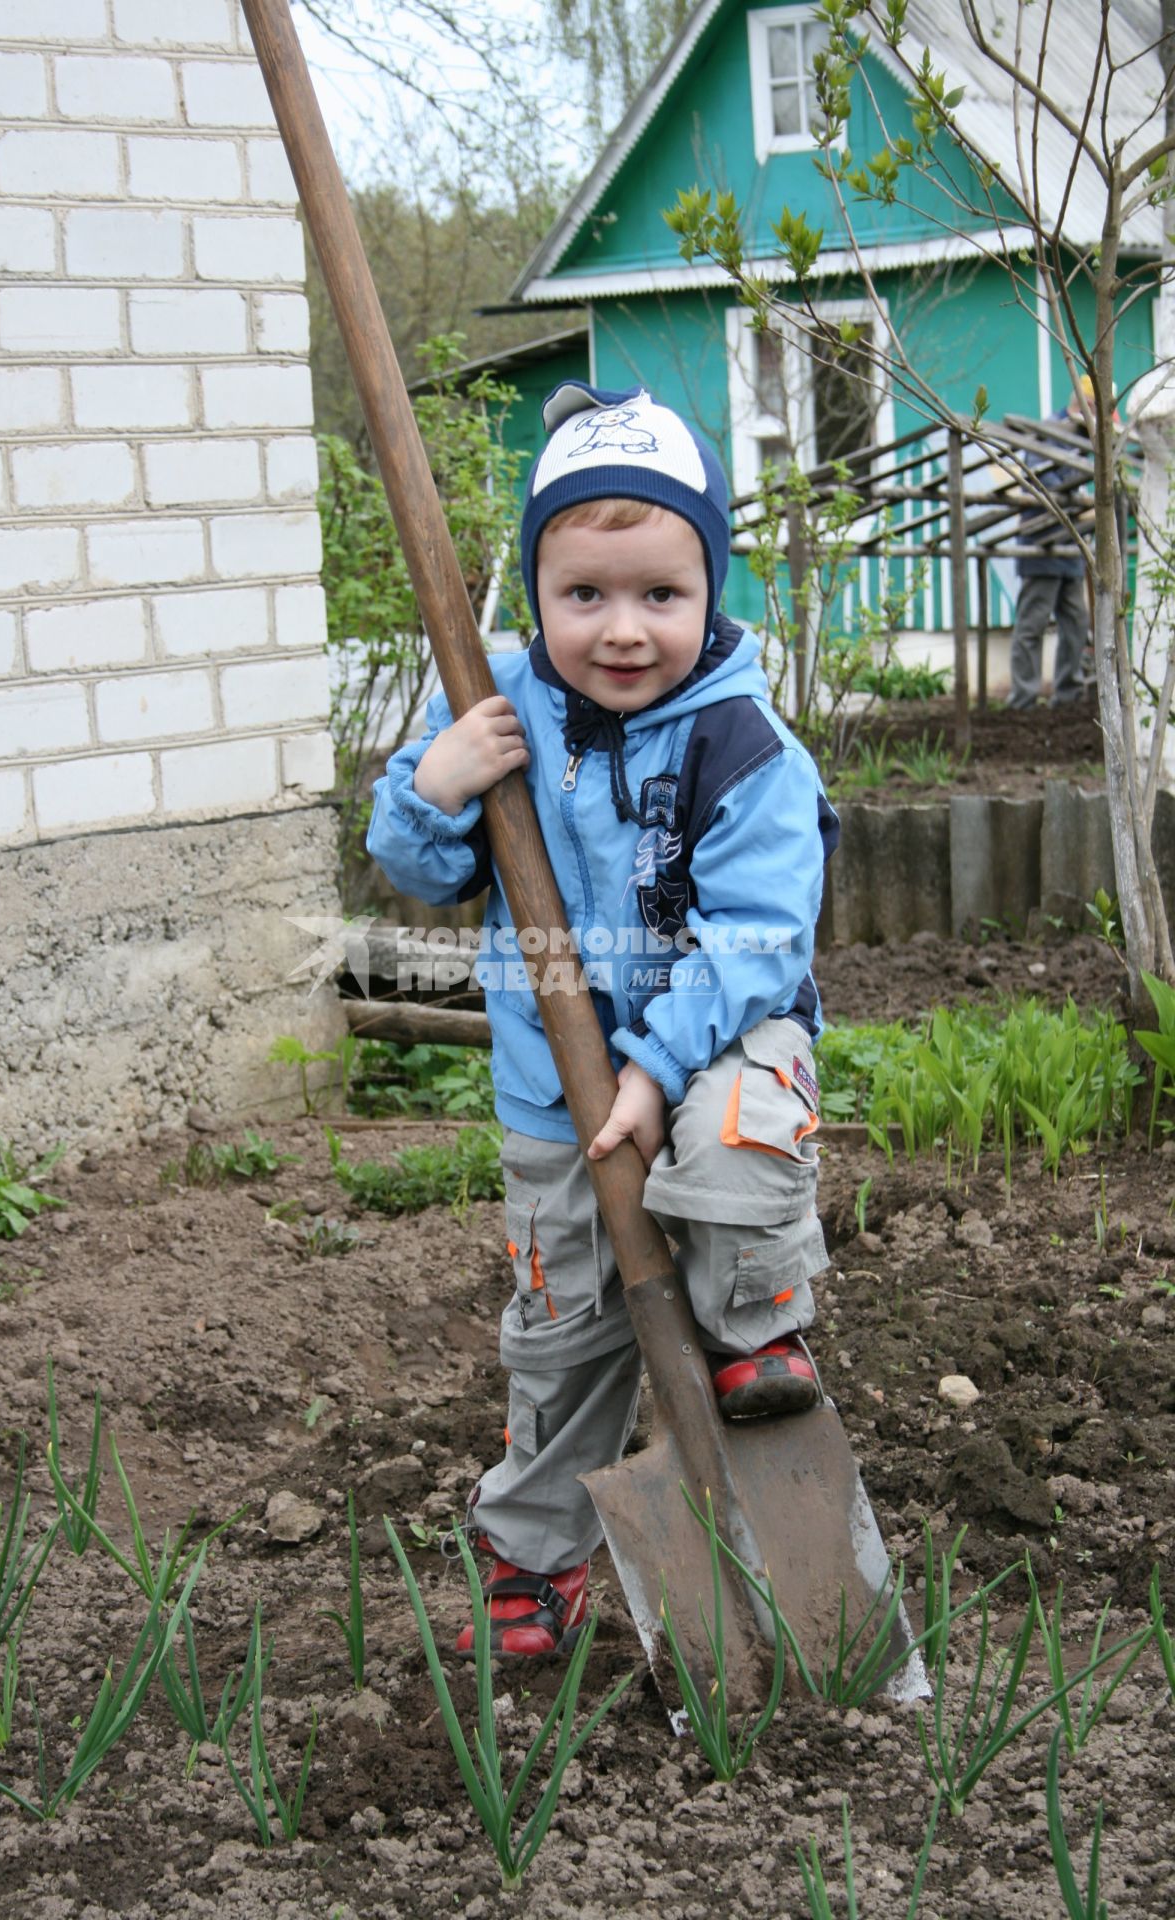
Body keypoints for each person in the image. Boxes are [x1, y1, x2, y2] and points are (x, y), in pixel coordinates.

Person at [367, 382, 839, 1658]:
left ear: (711, 589)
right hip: (547, 1091)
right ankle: (531, 1556)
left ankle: (751, 1327)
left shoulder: (741, 744)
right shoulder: (497, 702)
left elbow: (754, 939)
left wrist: (644, 1068)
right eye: (583, 596)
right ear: (536, 593)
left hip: (717, 1040)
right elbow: (416, 866)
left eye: (659, 596)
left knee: (733, 1148)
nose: (621, 631)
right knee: (562, 1341)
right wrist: (434, 787)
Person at [1007, 382, 1097, 710]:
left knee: (1075, 623)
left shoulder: (1086, 438)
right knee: (1033, 623)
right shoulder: (1047, 431)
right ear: (1086, 403)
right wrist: (1077, 500)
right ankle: (1024, 700)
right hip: (1042, 544)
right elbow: (1044, 479)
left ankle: (1068, 695)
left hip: (1070, 546)